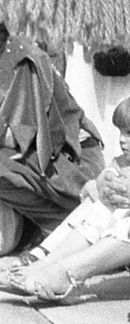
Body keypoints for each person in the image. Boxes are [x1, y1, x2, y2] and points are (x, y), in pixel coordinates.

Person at [0, 93, 130, 301]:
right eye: (121, 132)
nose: (122, 139)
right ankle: (44, 259)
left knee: (116, 207)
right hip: (126, 255)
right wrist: (99, 184)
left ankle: (59, 269)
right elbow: (97, 186)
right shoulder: (121, 163)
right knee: (99, 201)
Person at [0, 20, 104, 256]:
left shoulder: (23, 58)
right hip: (30, 160)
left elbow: (28, 137)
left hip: (70, 160)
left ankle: (67, 225)